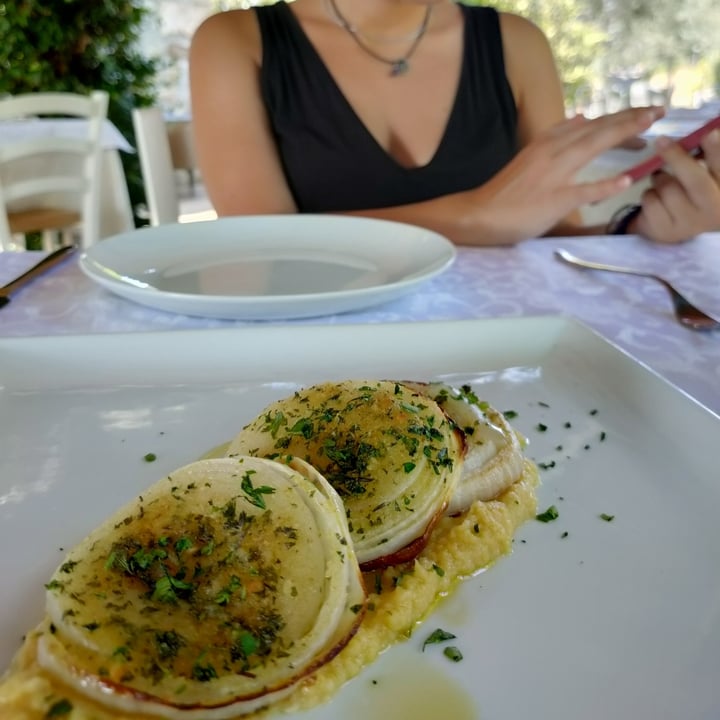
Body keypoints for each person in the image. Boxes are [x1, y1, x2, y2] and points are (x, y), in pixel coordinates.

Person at [189, 0, 720, 246]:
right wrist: (472, 216)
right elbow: (261, 248)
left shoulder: (517, 42)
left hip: (493, 359)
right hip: (317, 361)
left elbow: (551, 230)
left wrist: (634, 228)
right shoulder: (235, 41)